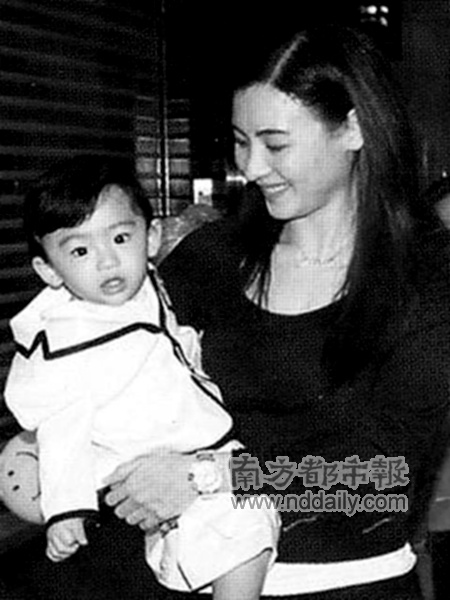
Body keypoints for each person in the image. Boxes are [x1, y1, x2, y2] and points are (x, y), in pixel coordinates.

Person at [104, 24, 450, 600]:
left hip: (349, 585)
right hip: (184, 576)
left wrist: (209, 479)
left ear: (354, 129)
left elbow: (383, 475)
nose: (252, 166)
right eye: (241, 142)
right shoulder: (209, 259)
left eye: (275, 144)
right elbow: (120, 362)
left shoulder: (428, 275)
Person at [4, 156, 278, 600]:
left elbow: (172, 338)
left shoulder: (149, 285)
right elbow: (61, 429)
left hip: (196, 452)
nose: (107, 260)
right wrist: (65, 510)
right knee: (244, 516)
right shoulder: (67, 339)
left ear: (150, 238)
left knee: (241, 520)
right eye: (80, 251)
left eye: (120, 237)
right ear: (49, 270)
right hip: (140, 466)